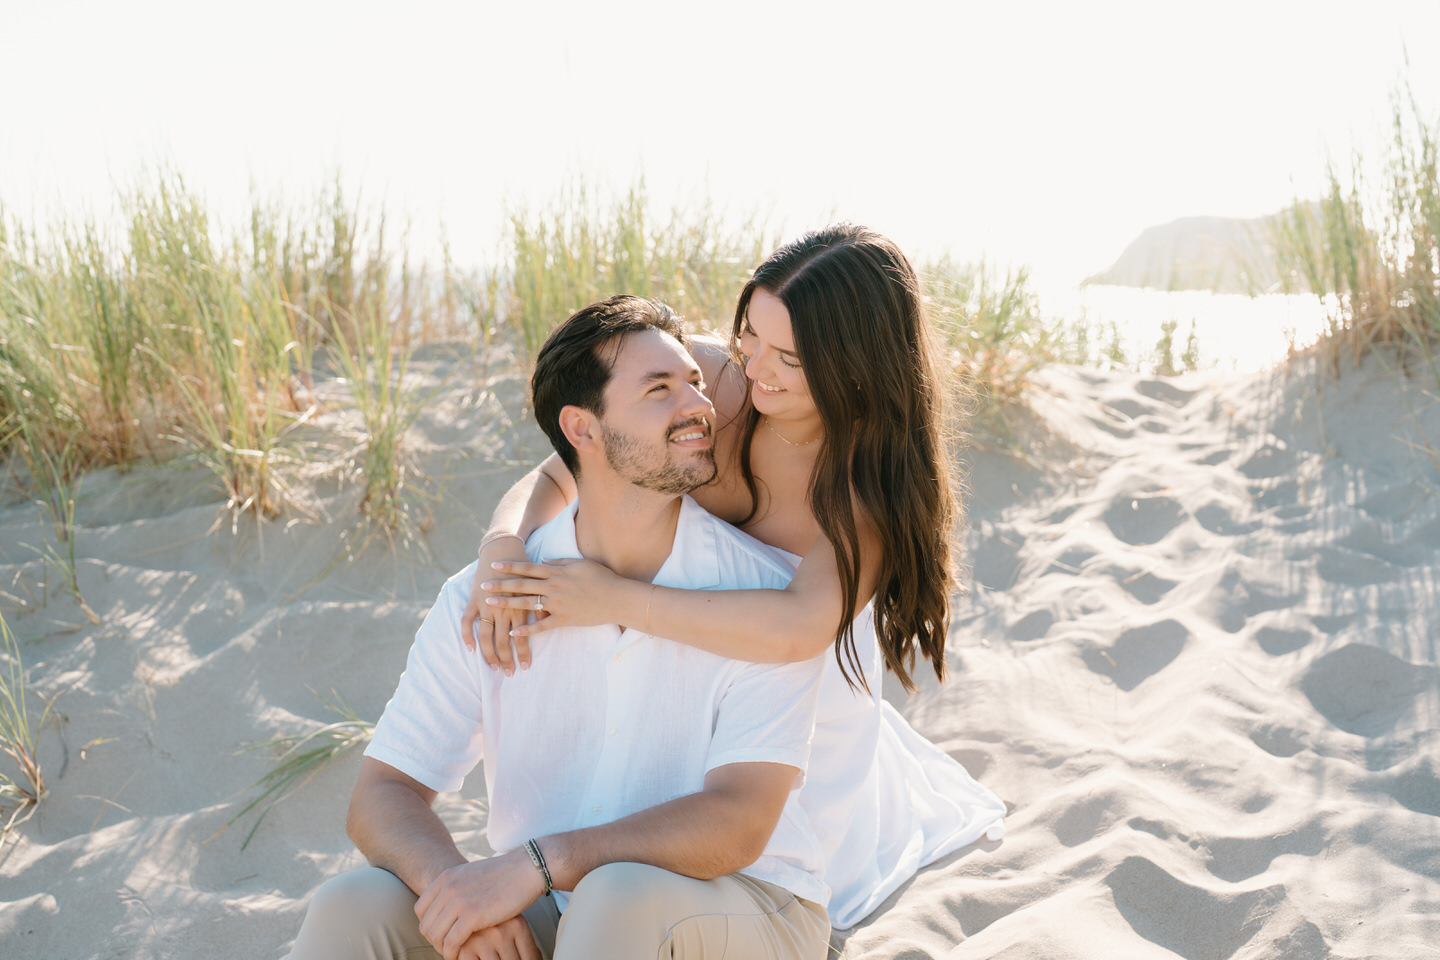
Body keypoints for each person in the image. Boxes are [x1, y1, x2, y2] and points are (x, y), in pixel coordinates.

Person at [464, 223, 1006, 930]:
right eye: (752, 334)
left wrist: (615, 600)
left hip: (800, 685)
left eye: (790, 358)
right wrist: (501, 543)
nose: (758, 368)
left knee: (759, 848)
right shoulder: (716, 381)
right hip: (682, 651)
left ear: (857, 366)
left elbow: (799, 627)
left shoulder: (861, 482)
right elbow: (557, 471)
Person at [288, 296, 832, 960]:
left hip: (747, 903)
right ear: (582, 428)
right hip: (564, 912)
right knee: (354, 906)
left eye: (693, 381)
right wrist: (456, 893)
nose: (698, 405)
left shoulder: (759, 598)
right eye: (660, 389)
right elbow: (384, 794)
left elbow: (739, 824)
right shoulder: (491, 597)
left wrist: (539, 864)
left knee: (616, 896)